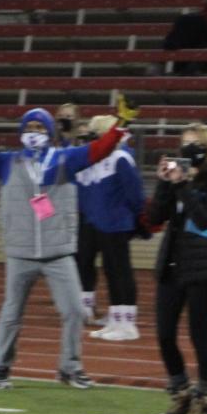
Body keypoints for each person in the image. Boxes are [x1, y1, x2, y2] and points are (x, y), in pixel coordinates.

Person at [0, 94, 138, 389]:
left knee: (75, 311)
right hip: (21, 251)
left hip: (59, 251)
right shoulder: (7, 162)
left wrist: (122, 125)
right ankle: (0, 368)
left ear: (50, 133)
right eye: (30, 127)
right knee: (11, 314)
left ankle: (70, 368)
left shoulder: (65, 159)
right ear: (20, 132)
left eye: (40, 128)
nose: (35, 132)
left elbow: (99, 149)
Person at [147, 123, 207, 414]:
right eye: (184, 143)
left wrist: (184, 184)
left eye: (194, 144)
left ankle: (206, 402)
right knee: (164, 334)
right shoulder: (176, 177)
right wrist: (164, 184)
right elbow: (155, 217)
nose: (188, 149)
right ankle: (180, 394)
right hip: (173, 262)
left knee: (199, 336)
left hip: (205, 265)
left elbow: (206, 219)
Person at [75, 114, 144, 341]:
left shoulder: (120, 158)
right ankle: (116, 319)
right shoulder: (101, 158)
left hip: (117, 223)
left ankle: (128, 324)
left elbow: (134, 193)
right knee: (111, 271)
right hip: (103, 223)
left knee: (121, 271)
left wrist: (137, 218)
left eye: (95, 132)